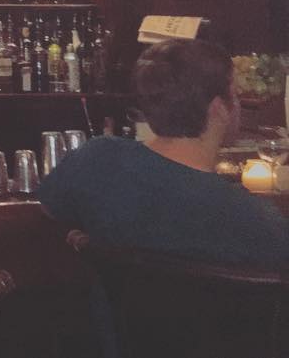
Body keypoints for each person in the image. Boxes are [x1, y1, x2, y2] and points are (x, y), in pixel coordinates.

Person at [39, 38, 289, 267]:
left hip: (119, 304)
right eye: (234, 94)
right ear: (218, 108)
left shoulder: (96, 159)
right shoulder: (253, 220)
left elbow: (48, 214)